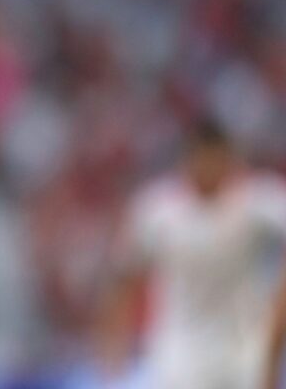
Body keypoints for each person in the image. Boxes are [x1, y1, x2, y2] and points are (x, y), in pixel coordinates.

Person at [103, 120, 286, 389]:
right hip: (182, 348)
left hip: (243, 346)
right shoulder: (157, 211)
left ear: (229, 160)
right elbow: (126, 276)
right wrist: (114, 340)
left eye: (217, 160)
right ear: (187, 160)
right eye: (202, 159)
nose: (209, 169)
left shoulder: (254, 202)